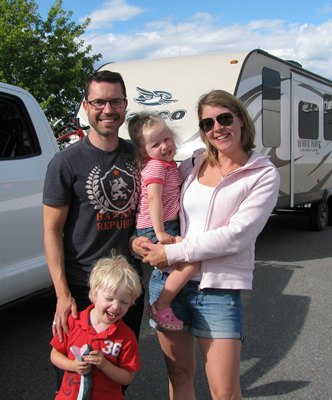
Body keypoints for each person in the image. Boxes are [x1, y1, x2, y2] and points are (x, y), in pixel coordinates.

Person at [134, 89, 280, 400]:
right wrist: (139, 240)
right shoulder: (192, 164)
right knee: (180, 376)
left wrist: (172, 251)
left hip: (218, 290)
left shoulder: (263, 173)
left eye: (224, 118)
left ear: (240, 119)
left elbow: (237, 235)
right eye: (207, 123)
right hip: (168, 285)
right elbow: (155, 202)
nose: (217, 128)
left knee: (224, 391)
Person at [43, 71, 146, 388]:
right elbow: (51, 232)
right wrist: (62, 295)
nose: (108, 109)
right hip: (81, 288)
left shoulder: (139, 156)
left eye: (115, 101)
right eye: (99, 101)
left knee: (117, 377)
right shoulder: (66, 163)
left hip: (126, 289)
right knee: (76, 378)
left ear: (125, 105)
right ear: (86, 107)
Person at [128, 113, 200, 331]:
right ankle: (161, 305)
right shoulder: (156, 167)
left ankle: (164, 304)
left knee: (181, 262)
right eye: (155, 144)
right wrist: (159, 232)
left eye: (167, 139)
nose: (164, 146)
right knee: (191, 262)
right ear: (144, 151)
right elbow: (153, 199)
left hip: (165, 225)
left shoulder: (169, 166)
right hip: (155, 226)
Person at [50, 250, 142, 400]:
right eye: (109, 298)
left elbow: (127, 377)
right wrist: (72, 366)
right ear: (93, 295)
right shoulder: (73, 322)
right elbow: (55, 355)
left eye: (124, 302)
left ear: (131, 303)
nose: (115, 307)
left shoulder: (126, 336)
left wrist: (104, 365)